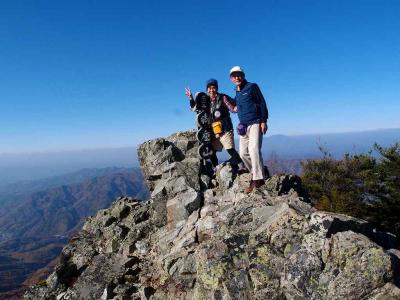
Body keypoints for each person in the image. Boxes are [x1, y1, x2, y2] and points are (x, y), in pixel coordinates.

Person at [185, 79, 244, 170]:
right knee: (211, 151)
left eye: (213, 88)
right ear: (207, 89)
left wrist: (240, 92)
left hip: (225, 129)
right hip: (213, 131)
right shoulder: (206, 100)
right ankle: (216, 168)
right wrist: (191, 98)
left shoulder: (223, 97)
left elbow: (235, 103)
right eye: (209, 88)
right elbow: (195, 108)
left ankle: (242, 167)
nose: (211, 90)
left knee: (230, 149)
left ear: (216, 88)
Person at [228, 66, 269, 193]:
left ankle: (258, 179)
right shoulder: (237, 92)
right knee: (243, 154)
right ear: (231, 79)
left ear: (243, 75)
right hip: (243, 126)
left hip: (255, 122)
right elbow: (235, 104)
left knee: (253, 149)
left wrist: (263, 120)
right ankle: (259, 172)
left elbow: (262, 103)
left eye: (239, 75)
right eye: (234, 76)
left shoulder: (252, 87)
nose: (237, 77)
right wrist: (224, 99)